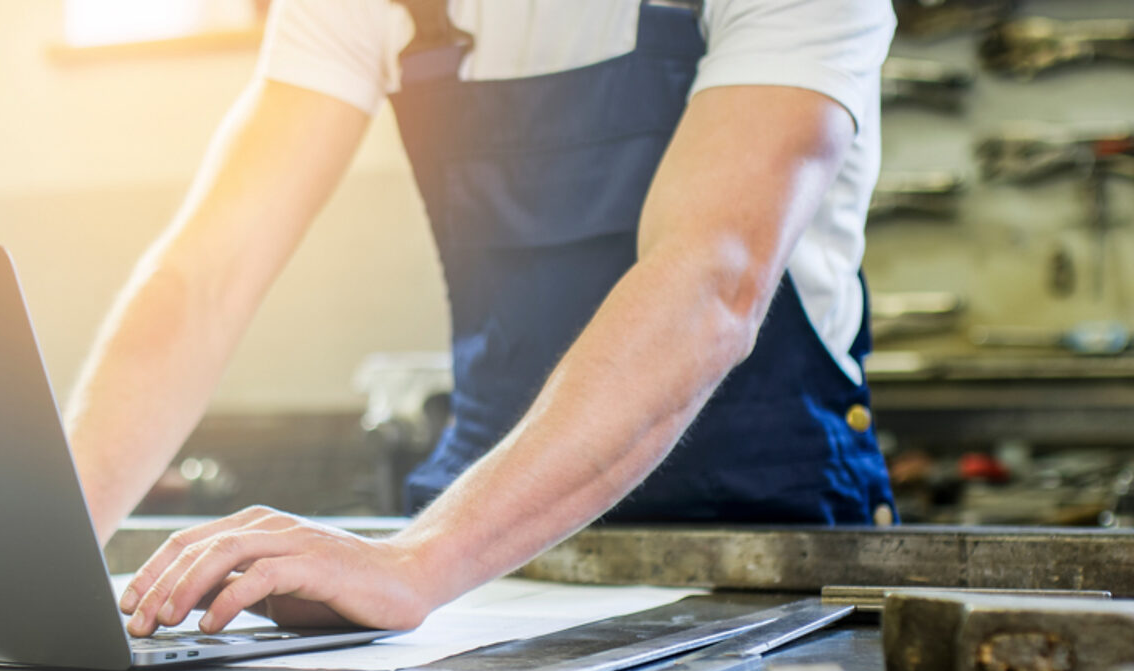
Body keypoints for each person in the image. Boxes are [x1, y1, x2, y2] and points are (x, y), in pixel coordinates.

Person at [65, 0, 897, 638]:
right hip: (480, 569)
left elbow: (711, 282)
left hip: (760, 545)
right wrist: (44, 555)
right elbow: (202, 281)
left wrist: (417, 562)